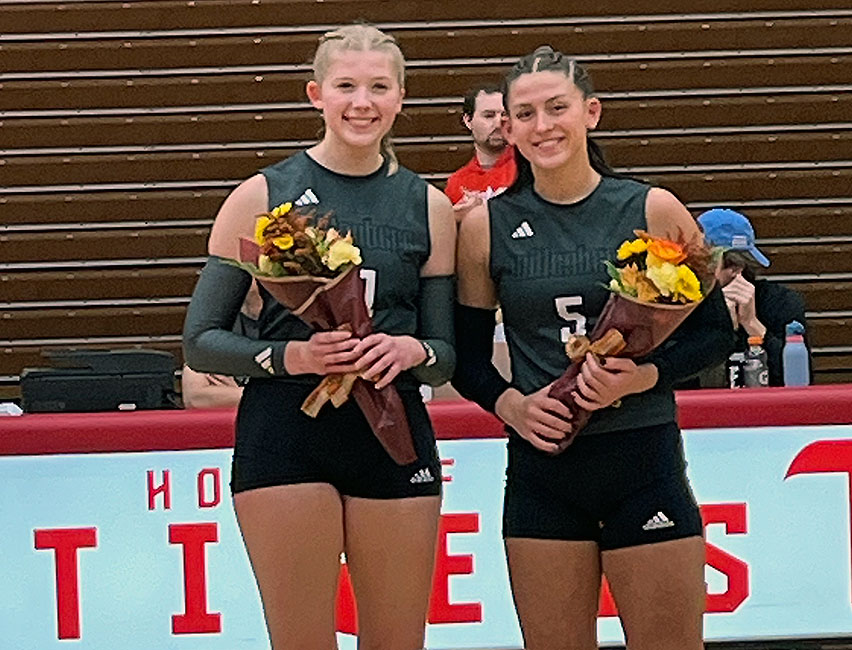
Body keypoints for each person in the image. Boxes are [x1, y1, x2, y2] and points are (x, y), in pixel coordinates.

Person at [451, 46, 734, 650]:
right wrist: (512, 407)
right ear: (508, 127)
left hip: (643, 460)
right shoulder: (483, 227)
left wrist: (642, 378)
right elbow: (468, 358)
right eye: (523, 114)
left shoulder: (651, 207)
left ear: (591, 113)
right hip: (543, 470)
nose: (541, 125)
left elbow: (716, 333)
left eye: (558, 108)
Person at [183, 24, 456, 650]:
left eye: (379, 88)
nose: (363, 102)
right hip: (285, 435)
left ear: (400, 99)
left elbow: (444, 358)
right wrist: (293, 355)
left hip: (393, 433)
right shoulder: (261, 195)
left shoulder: (429, 207)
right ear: (316, 95)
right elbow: (201, 341)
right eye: (346, 86)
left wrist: (413, 350)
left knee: (397, 642)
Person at [697, 208, 811, 386]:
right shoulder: (682, 305)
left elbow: (800, 381)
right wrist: (718, 332)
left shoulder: (781, 302)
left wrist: (753, 325)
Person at [182, 282, 262, 409]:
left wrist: (232, 395)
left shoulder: (297, 324)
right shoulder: (216, 322)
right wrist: (255, 395)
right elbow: (195, 397)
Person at [444, 83, 517, 216]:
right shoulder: (457, 183)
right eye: (489, 116)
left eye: (505, 115)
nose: (498, 122)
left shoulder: (530, 169)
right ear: (468, 121)